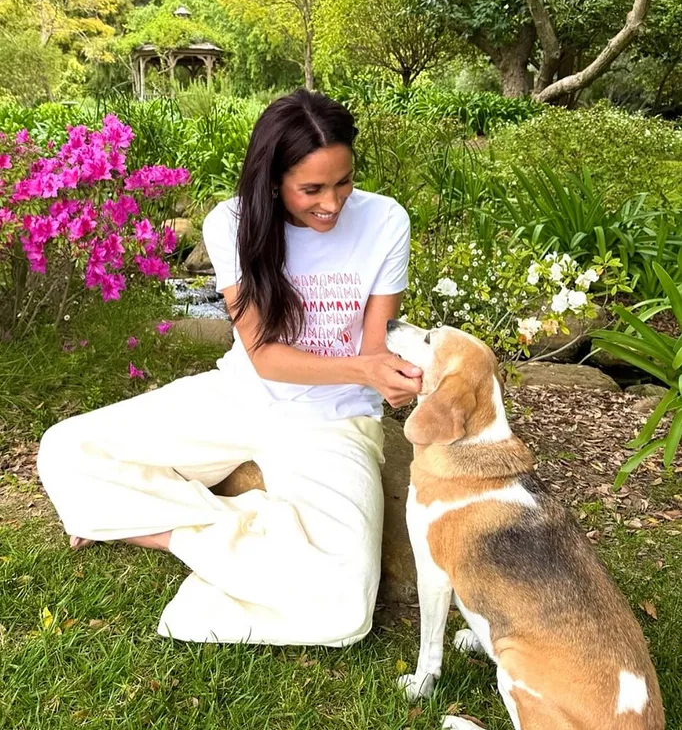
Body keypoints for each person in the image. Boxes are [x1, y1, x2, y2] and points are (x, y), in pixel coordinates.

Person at [36, 89, 422, 646]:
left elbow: (374, 347)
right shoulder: (232, 223)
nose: (332, 204)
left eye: (344, 182)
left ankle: (142, 521)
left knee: (344, 611)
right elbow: (265, 356)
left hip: (333, 420)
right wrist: (367, 369)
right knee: (66, 450)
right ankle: (209, 531)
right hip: (240, 397)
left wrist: (389, 377)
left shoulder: (385, 220)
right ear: (271, 180)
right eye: (311, 189)